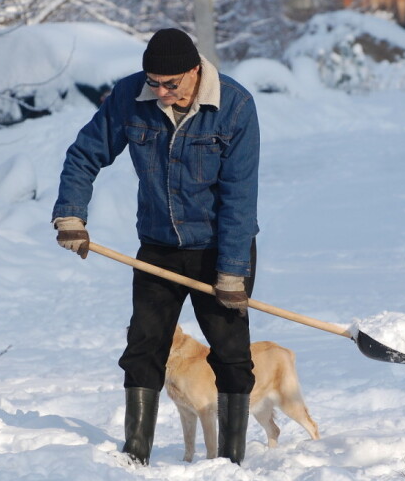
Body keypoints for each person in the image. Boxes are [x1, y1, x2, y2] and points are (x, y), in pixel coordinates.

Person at [51, 28, 260, 466]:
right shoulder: (131, 96)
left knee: (231, 355)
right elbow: (85, 153)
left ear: (195, 71)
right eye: (154, 83)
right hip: (159, 245)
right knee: (143, 348)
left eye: (171, 84)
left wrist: (231, 271)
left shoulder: (235, 106)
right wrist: (71, 214)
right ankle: (135, 456)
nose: (161, 93)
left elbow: (240, 197)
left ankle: (230, 463)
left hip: (219, 248)